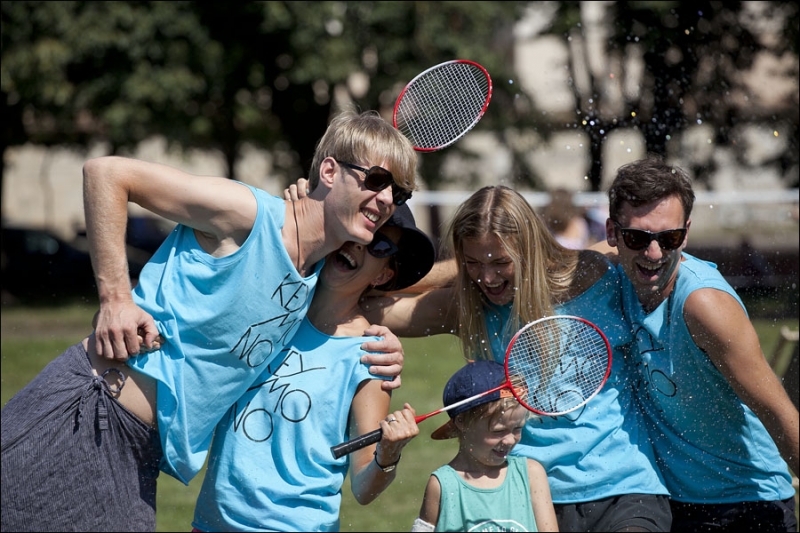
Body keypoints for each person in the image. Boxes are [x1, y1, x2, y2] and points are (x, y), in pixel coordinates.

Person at [1, 109, 417, 532]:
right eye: (377, 180)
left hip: (140, 451)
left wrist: (390, 345)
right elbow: (106, 174)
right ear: (330, 170)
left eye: (397, 195)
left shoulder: (314, 275)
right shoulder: (249, 214)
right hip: (89, 416)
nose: (386, 201)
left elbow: (402, 302)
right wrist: (115, 299)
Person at [361, 185, 672, 532]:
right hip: (531, 499)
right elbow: (361, 301)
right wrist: (458, 272)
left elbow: (653, 260)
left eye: (500, 262)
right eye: (474, 263)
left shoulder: (592, 275)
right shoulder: (469, 308)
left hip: (626, 490)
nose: (488, 278)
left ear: (530, 251)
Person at [192, 204, 434, 531]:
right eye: (355, 227)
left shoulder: (371, 354)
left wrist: (388, 454)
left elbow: (364, 488)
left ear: (383, 274)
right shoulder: (268, 304)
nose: (361, 242)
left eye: (379, 244)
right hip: (211, 523)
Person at [602, 155, 799, 532]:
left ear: (686, 233)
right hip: (673, 504)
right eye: (637, 238)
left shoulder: (703, 305)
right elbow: (537, 262)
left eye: (669, 238)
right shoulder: (612, 271)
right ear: (613, 233)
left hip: (746, 506)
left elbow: (778, 412)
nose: (654, 253)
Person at [411, 360, 558, 532]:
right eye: (498, 430)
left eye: (517, 428)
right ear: (462, 422)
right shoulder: (443, 484)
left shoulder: (531, 474)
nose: (510, 440)